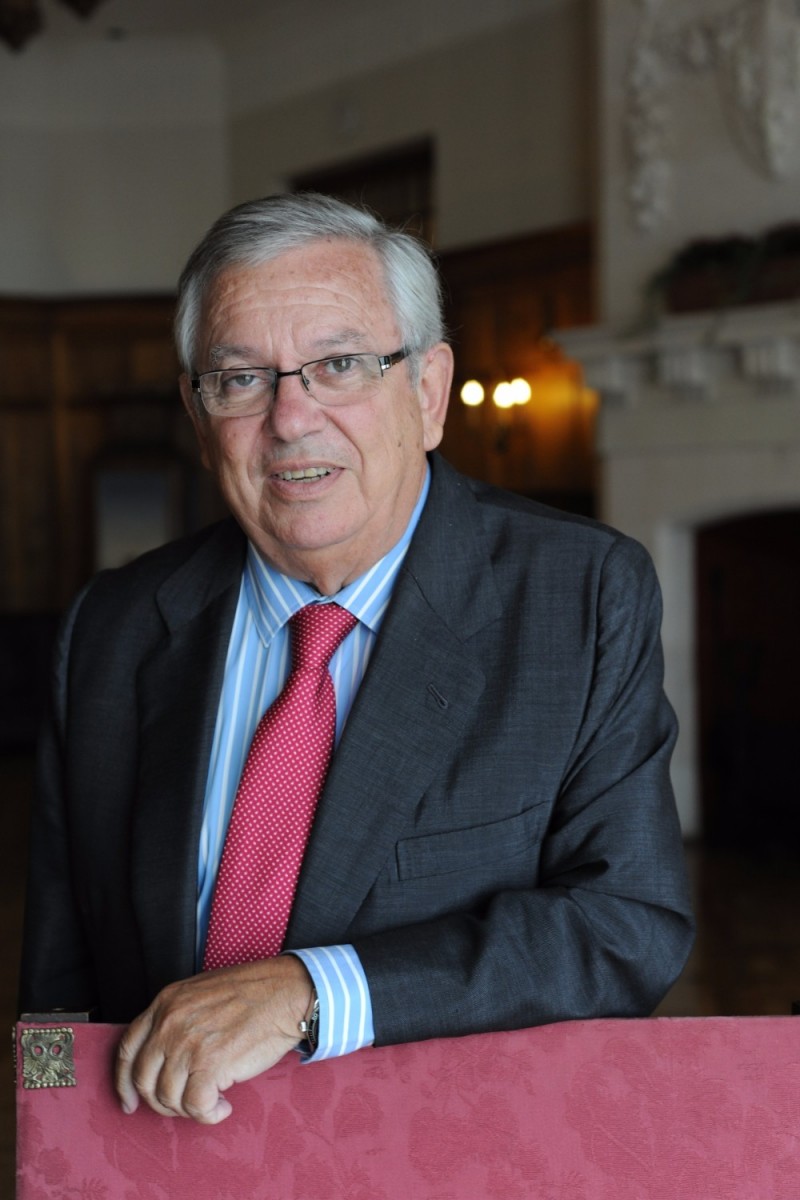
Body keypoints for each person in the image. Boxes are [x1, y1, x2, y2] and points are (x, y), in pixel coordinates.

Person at [20, 193, 694, 1126]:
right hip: (157, 1163)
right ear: (198, 413)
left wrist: (312, 991)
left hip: (438, 1158)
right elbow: (56, 987)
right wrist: (51, 1148)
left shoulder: (578, 598)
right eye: (241, 378)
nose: (291, 418)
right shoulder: (114, 627)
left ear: (428, 391)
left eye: (339, 366)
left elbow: (625, 926)